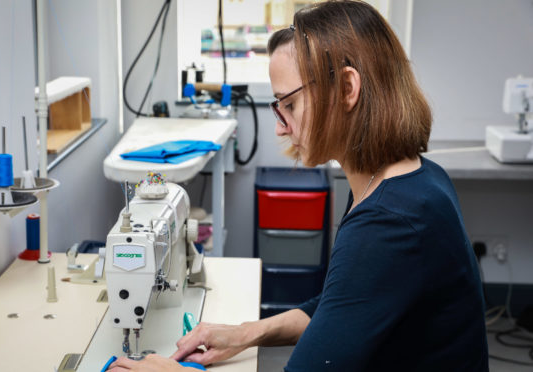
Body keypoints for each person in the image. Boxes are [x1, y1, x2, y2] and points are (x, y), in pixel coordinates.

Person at [107, 1, 489, 371]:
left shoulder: (390, 221)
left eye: (288, 104)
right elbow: (341, 307)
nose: (279, 125)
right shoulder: (413, 178)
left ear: (346, 88)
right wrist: (245, 333)